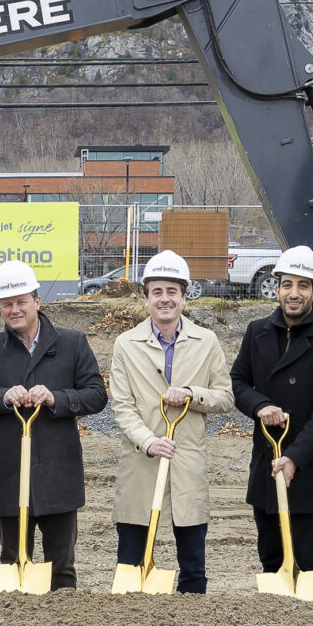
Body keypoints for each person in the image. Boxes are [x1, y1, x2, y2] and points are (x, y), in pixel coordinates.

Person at [0, 260, 107, 590]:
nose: (14, 310)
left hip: (58, 470)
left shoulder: (72, 343)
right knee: (13, 563)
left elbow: (96, 395)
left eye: (21, 301)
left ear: (37, 301)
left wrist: (56, 398)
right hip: (11, 470)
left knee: (62, 566)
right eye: (7, 304)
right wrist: (1, 397)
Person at [230, 245, 313, 599]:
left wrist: (295, 458)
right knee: (271, 556)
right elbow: (238, 382)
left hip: (311, 467)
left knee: (310, 557)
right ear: (277, 288)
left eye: (303, 285)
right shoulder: (257, 332)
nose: (294, 293)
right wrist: (260, 405)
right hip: (268, 463)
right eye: (287, 284)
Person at [108, 250, 233, 593]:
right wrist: (149, 441)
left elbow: (225, 397)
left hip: (186, 460)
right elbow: (122, 407)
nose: (165, 299)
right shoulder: (126, 344)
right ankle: (128, 623)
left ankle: (193, 622)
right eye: (157, 292)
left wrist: (193, 394)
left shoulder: (206, 342)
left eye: (172, 292)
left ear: (184, 295)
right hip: (140, 460)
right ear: (146, 297)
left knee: (193, 562)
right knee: (131, 559)